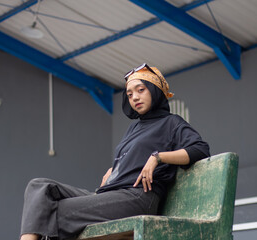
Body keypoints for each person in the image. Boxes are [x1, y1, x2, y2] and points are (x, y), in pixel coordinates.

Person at [20, 63, 210, 240]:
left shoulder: (171, 123)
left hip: (137, 197)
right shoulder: (134, 128)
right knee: (39, 187)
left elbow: (200, 149)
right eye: (129, 94)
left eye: (140, 90)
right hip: (111, 194)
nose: (134, 97)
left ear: (155, 90)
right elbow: (134, 157)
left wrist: (158, 158)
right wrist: (115, 168)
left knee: (56, 211)